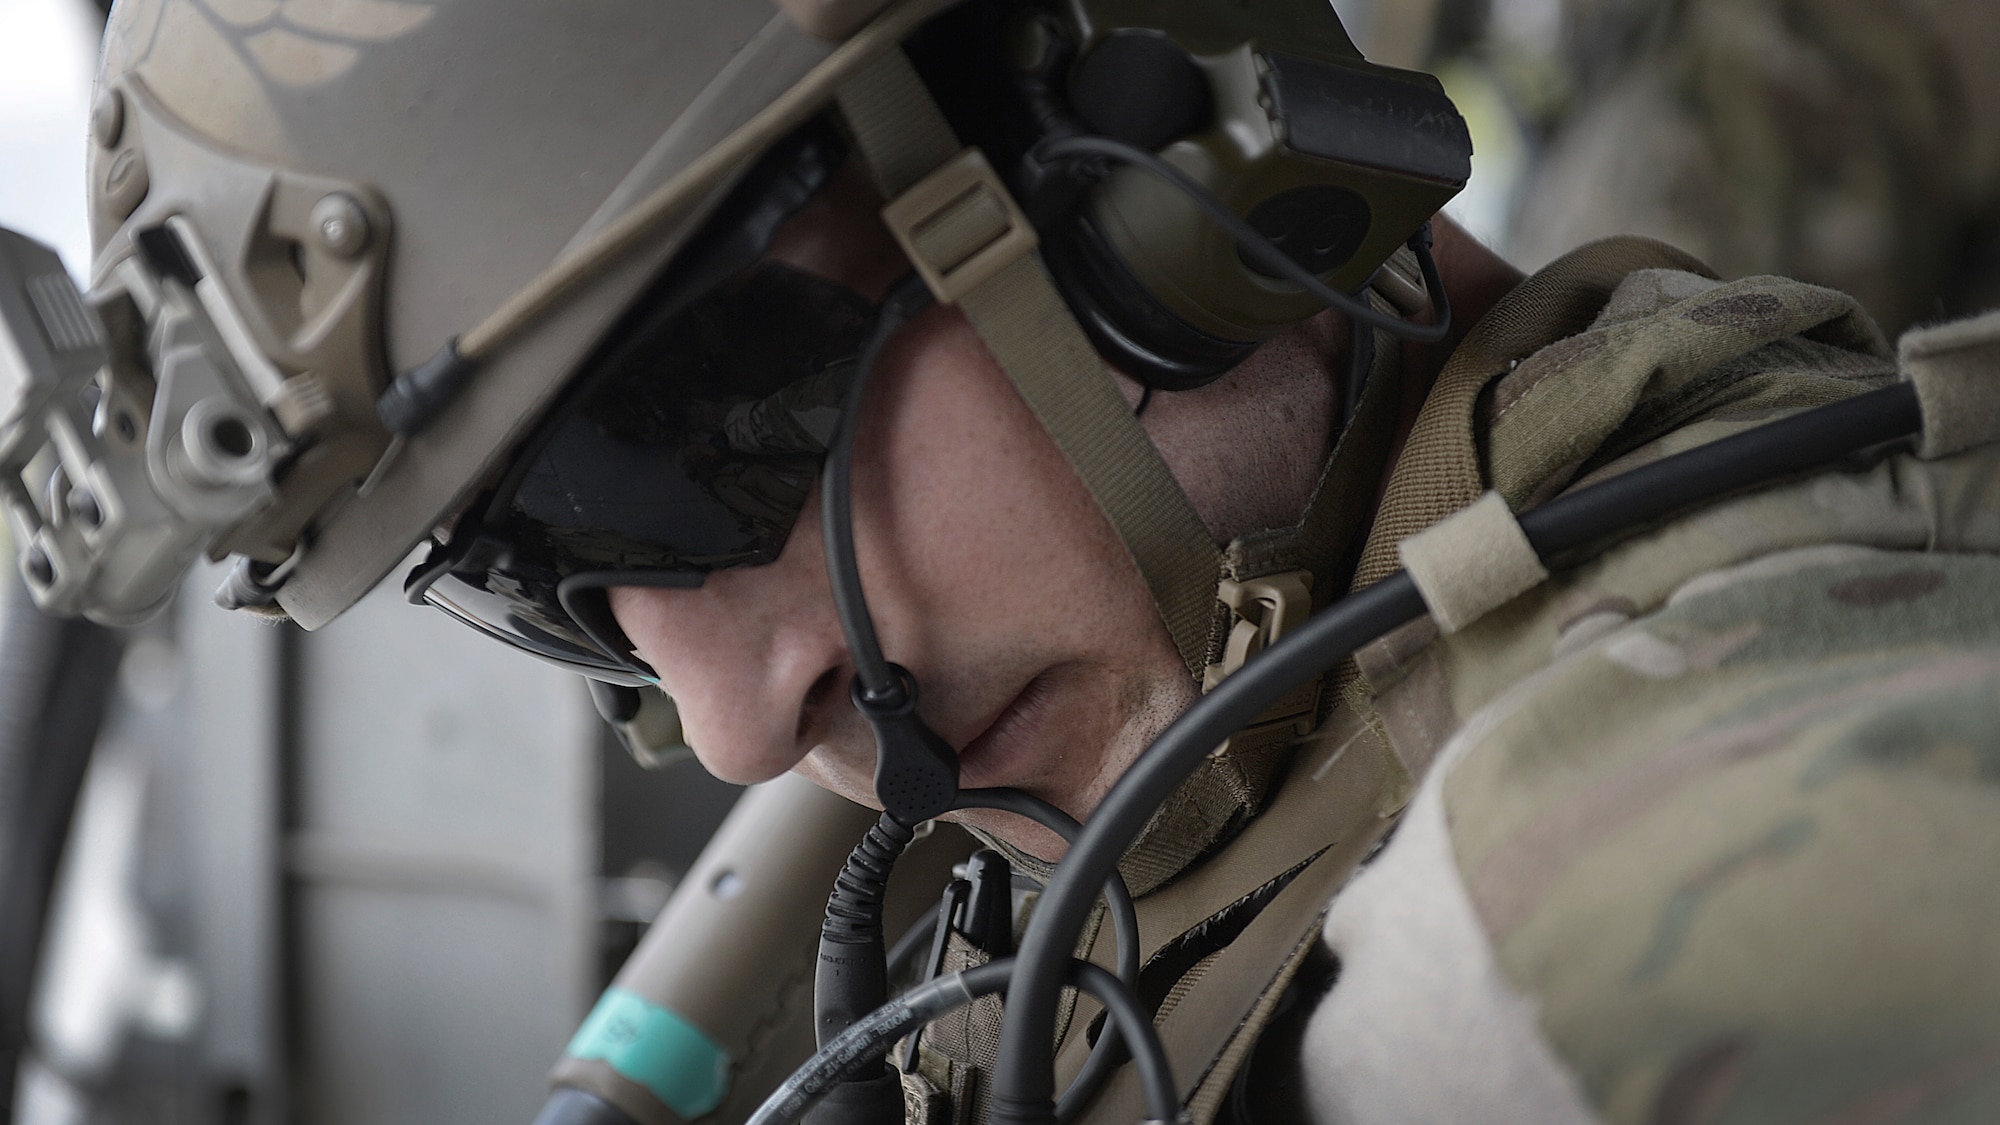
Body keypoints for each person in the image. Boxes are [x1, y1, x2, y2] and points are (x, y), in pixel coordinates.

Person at [4, 1, 1998, 1123]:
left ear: (1151, 175)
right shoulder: (1140, 798)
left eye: (693, 437)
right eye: (556, 574)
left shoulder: (1633, 909)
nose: (721, 715)